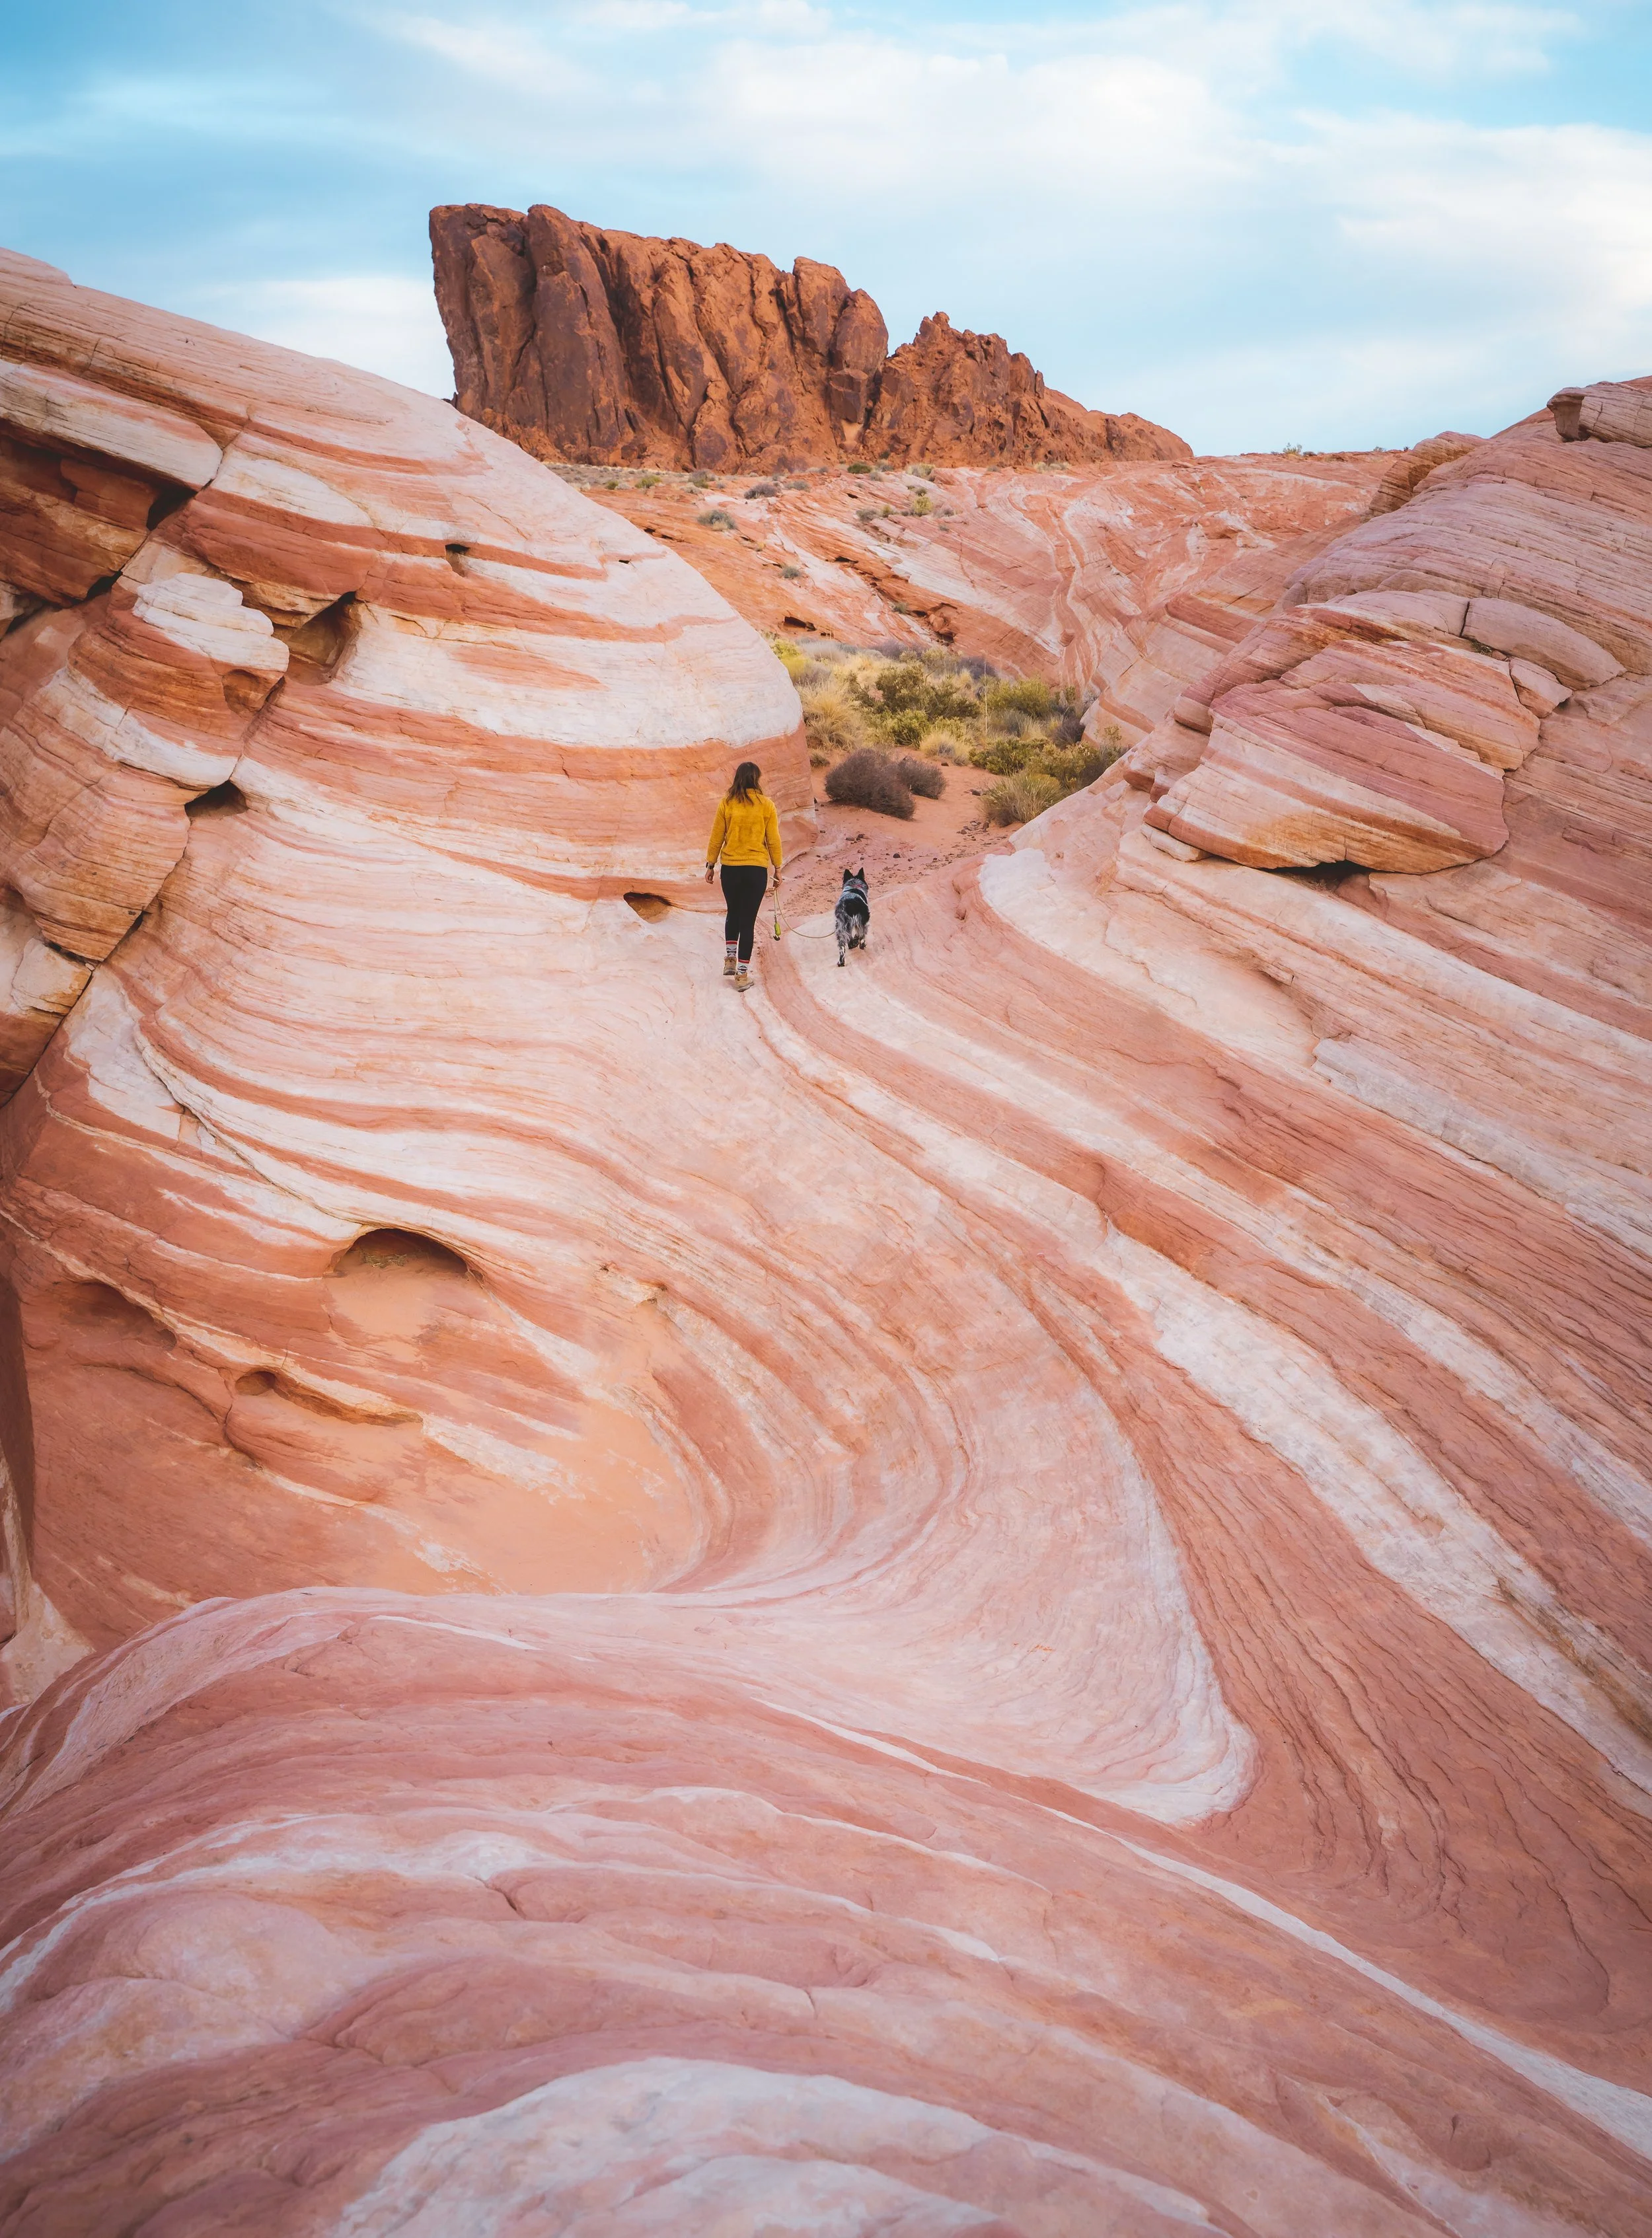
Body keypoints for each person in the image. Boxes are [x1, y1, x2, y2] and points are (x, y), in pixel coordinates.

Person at [704, 761, 782, 992]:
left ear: (737, 778)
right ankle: (741, 975)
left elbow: (716, 836)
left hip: (731, 868)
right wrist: (777, 868)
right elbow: (774, 840)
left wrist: (710, 864)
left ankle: (730, 959)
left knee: (733, 912)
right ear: (756, 779)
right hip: (756, 869)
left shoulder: (727, 803)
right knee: (748, 921)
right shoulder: (767, 805)